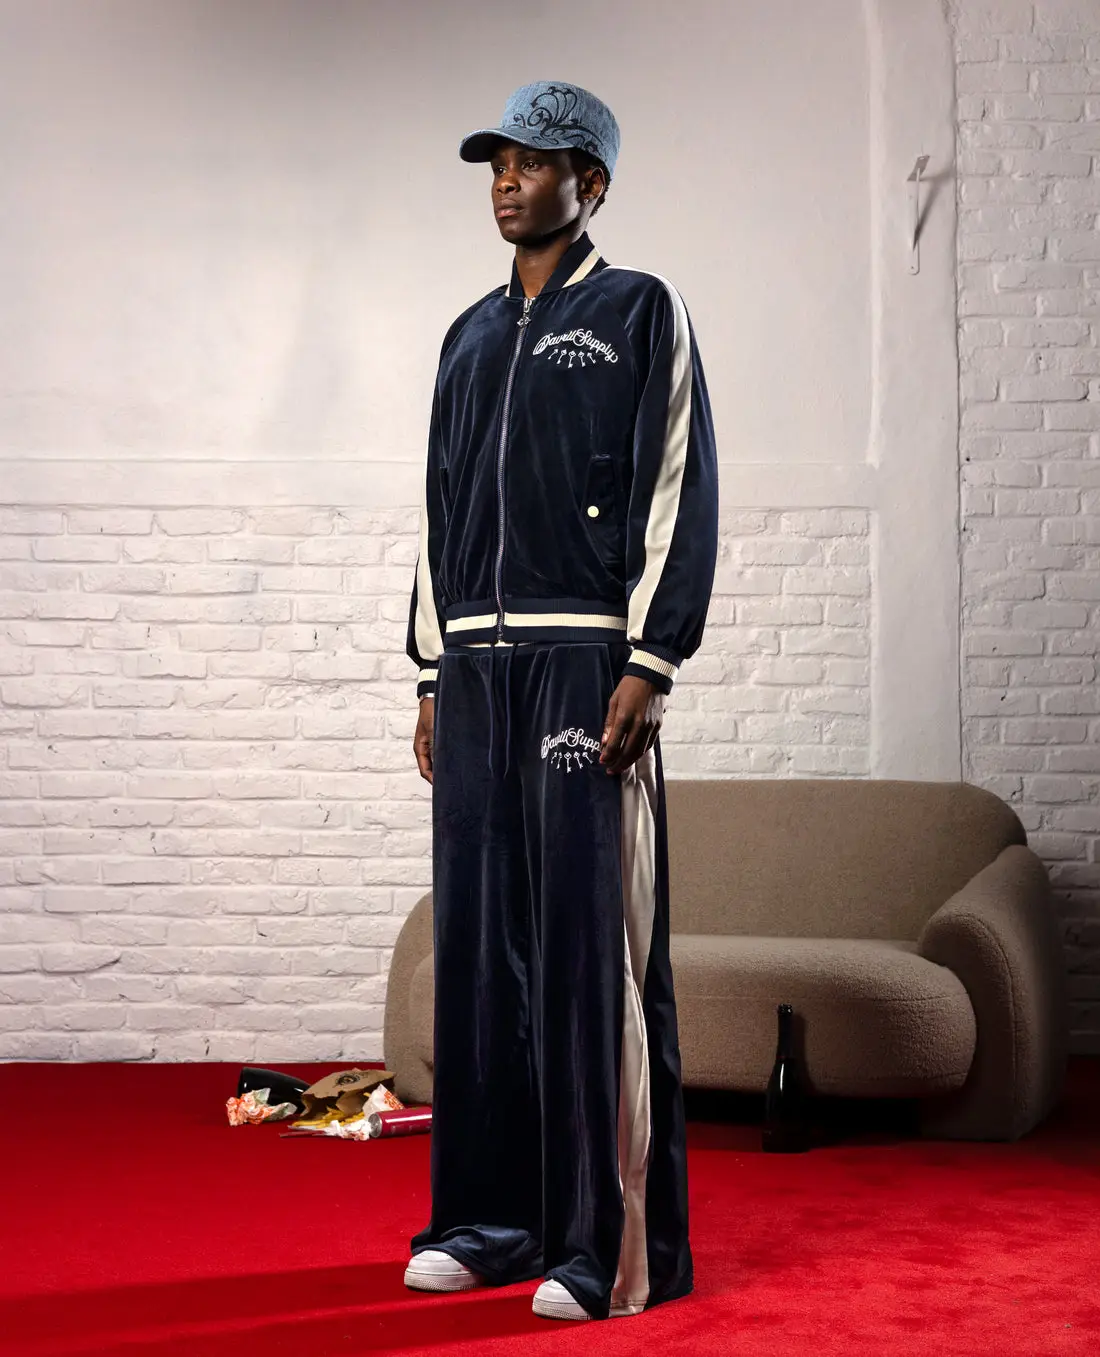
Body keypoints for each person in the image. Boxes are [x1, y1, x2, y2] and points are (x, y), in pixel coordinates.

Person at [403, 80, 718, 1322]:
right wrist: (430, 670)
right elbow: (435, 509)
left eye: (531, 164)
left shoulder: (640, 310)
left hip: (584, 660)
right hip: (475, 672)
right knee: (481, 957)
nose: (505, 182)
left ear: (589, 182)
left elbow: (679, 484)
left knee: (591, 958)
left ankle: (609, 1248)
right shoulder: (466, 335)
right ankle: (487, 1221)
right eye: (495, 163)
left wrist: (650, 659)